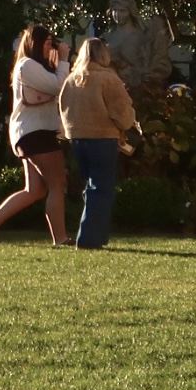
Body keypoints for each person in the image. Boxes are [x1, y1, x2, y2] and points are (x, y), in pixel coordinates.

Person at [0, 26, 68, 245]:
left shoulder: (33, 67)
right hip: (37, 132)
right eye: (47, 43)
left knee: (35, 190)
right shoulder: (27, 65)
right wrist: (64, 61)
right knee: (58, 184)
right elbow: (58, 86)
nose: (51, 48)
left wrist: (58, 65)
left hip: (29, 133)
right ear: (34, 44)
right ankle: (61, 238)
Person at [57, 37, 139, 250]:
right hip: (103, 138)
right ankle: (89, 238)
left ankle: (99, 235)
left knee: (91, 188)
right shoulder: (108, 78)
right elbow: (123, 113)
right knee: (101, 188)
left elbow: (63, 109)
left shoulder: (72, 79)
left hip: (77, 139)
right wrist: (129, 123)